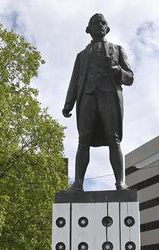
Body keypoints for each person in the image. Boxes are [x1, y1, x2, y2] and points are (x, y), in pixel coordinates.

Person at [62, 13, 134, 191]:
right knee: (83, 140)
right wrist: (68, 103)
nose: (100, 25)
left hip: (109, 96)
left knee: (114, 139)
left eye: (103, 23)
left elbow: (130, 77)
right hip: (87, 97)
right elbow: (74, 80)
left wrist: (118, 71)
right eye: (96, 23)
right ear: (89, 29)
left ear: (107, 28)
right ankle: (78, 183)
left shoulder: (117, 49)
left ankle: (120, 183)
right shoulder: (81, 56)